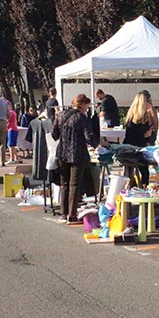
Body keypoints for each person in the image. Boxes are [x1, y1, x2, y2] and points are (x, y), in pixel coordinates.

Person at [51, 94, 99, 223]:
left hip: (61, 152)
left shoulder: (61, 115)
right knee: (75, 184)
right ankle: (72, 214)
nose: (87, 109)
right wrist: (97, 143)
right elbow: (89, 137)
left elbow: (54, 134)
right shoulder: (81, 117)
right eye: (87, 106)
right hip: (77, 153)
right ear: (82, 104)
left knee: (64, 183)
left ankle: (63, 212)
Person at [123, 91, 153, 188]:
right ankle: (138, 188)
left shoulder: (146, 115)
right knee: (140, 169)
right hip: (132, 148)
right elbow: (130, 136)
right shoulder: (133, 117)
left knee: (144, 170)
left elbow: (148, 133)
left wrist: (148, 140)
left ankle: (143, 188)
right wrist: (144, 136)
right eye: (149, 101)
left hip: (141, 147)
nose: (151, 103)